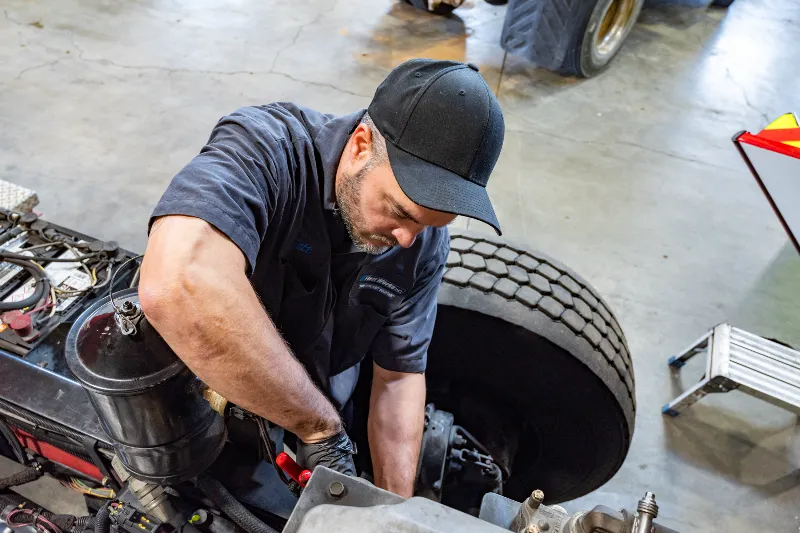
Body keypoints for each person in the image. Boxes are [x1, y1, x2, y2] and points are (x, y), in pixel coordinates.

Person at [138, 58, 504, 498]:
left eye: (431, 225)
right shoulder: (267, 148)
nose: (408, 239)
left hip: (330, 400)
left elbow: (399, 378)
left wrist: (395, 510)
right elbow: (176, 283)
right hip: (218, 398)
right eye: (400, 211)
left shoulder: (420, 245)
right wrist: (318, 427)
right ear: (361, 146)